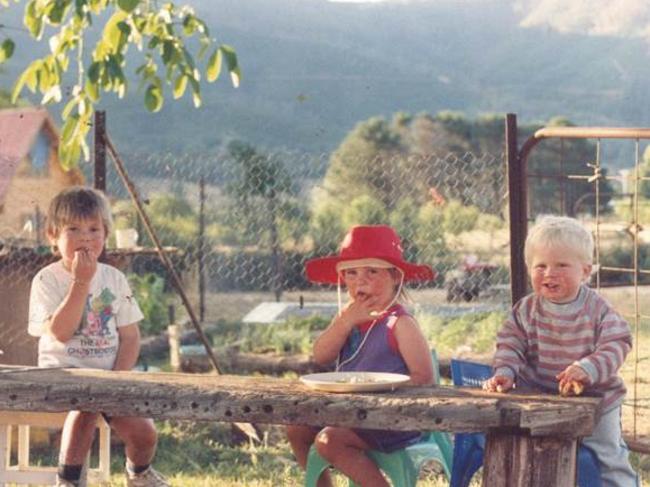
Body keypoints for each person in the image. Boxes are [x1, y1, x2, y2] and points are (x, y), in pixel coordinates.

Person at [28, 187, 169, 487]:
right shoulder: (47, 280)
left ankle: (139, 473)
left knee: (144, 432)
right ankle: (67, 480)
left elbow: (130, 337)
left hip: (108, 375)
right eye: (73, 229)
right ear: (53, 235)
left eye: (94, 229)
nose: (85, 237)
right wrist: (81, 281)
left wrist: (117, 380)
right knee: (87, 405)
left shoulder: (114, 279)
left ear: (106, 233)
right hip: (61, 374)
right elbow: (61, 333)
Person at [483, 215, 639, 487]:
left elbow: (618, 342)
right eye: (540, 265)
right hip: (541, 399)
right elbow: (510, 343)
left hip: (597, 400)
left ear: (586, 271)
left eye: (561, 265)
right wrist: (505, 372)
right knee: (527, 453)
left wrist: (587, 368)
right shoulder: (526, 309)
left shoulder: (597, 309)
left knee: (608, 458)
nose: (549, 273)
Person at [286, 224, 436, 487]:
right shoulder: (348, 319)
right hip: (350, 412)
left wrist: (382, 387)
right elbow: (321, 356)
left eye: (372, 272)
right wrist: (344, 323)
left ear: (395, 277)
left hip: (392, 419)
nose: (360, 281)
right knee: (296, 428)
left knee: (330, 441)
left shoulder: (399, 323)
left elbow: (424, 377)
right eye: (351, 273)